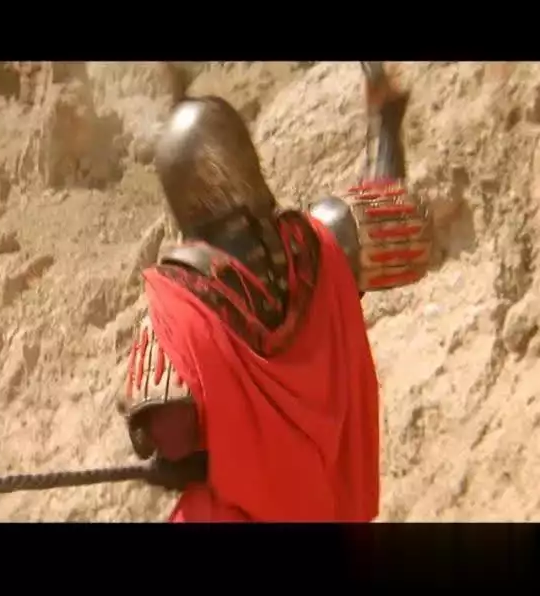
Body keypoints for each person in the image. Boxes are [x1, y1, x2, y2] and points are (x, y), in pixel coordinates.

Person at [117, 62, 433, 522]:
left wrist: (175, 466)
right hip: (332, 505)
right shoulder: (322, 241)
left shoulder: (176, 307)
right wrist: (384, 125)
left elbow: (173, 438)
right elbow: (392, 210)